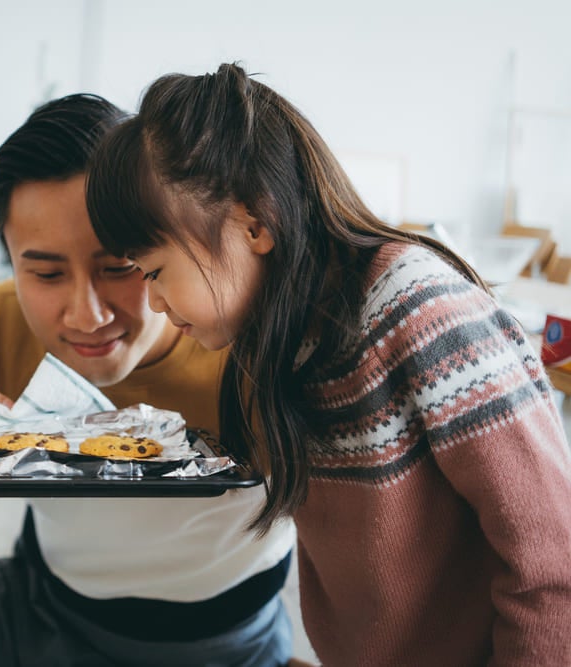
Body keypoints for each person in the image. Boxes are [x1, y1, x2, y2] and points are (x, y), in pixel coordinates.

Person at [84, 62, 571, 666]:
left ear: (253, 224)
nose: (153, 301)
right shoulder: (276, 338)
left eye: (155, 271)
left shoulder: (419, 312)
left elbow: (552, 563)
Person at [0, 94, 298, 666]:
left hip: (225, 641)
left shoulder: (252, 342)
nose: (86, 316)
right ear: (9, 261)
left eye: (120, 267)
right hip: (38, 605)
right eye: (44, 272)